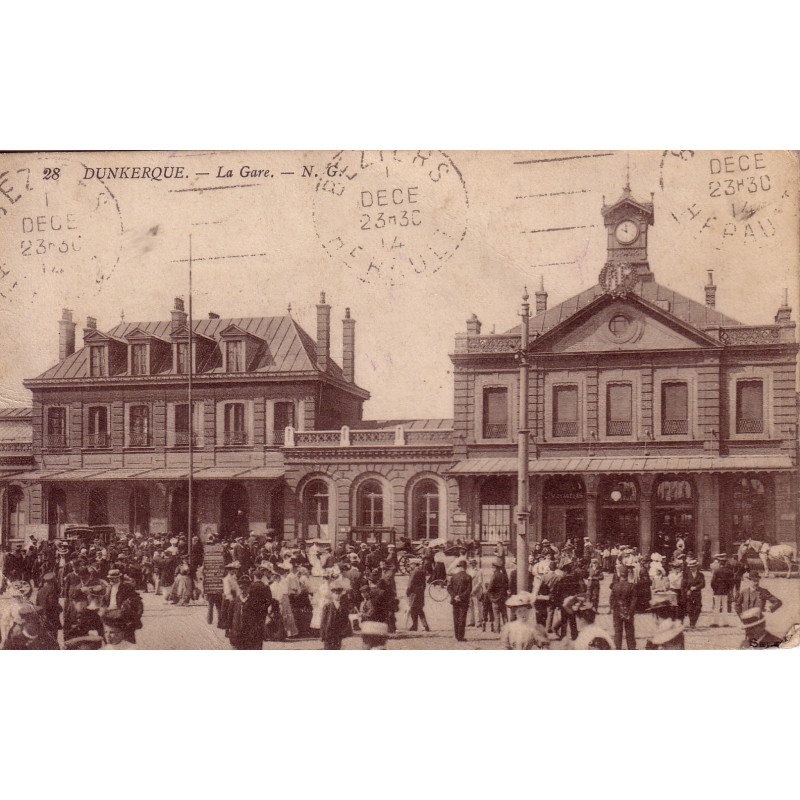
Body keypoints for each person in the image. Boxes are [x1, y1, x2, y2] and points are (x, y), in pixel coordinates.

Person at [609, 564, 637, 650]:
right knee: (629, 631)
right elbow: (634, 601)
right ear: (627, 575)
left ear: (619, 574)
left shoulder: (615, 586)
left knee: (617, 631)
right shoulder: (631, 586)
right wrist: (630, 612)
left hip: (617, 611)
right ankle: (631, 648)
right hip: (628, 611)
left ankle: (617, 648)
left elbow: (611, 599)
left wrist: (613, 608)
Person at [320, 580, 351, 650]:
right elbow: (323, 621)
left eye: (339, 594)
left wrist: (344, 631)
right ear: (332, 594)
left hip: (338, 633)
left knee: (337, 648)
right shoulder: (327, 606)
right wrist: (322, 634)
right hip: (328, 633)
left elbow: (345, 620)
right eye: (336, 593)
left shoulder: (343, 607)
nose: (337, 595)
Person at [447, 558, 472, 642]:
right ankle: (461, 636)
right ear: (465, 567)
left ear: (459, 567)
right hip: (463, 601)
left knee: (456, 618)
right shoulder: (468, 577)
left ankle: (457, 635)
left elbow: (449, 588)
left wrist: (455, 596)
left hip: (455, 601)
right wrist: (460, 597)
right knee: (462, 618)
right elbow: (468, 590)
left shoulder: (454, 576)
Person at [36, 571, 62, 638]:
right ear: (53, 581)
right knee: (53, 636)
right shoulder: (51, 591)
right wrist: (59, 608)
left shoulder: (40, 591)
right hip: (51, 617)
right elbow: (52, 605)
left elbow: (37, 604)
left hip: (43, 617)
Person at [710, 554, 734, 627]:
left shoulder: (717, 571)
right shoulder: (729, 571)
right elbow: (731, 582)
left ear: (720, 563)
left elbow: (712, 582)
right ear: (725, 563)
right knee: (725, 607)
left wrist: (715, 589)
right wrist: (729, 589)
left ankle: (715, 622)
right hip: (725, 591)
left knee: (716, 607)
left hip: (717, 591)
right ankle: (725, 623)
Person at [487, 557, 509, 633]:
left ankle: (497, 630)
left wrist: (492, 598)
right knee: (504, 615)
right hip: (503, 598)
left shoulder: (494, 576)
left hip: (495, 599)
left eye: (492, 567)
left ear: (495, 568)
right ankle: (507, 629)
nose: (491, 569)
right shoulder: (504, 575)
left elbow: (489, 588)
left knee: (496, 616)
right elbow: (507, 586)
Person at [406, 562, 430, 632]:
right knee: (420, 609)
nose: (410, 565)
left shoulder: (413, 572)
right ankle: (425, 626)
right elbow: (424, 584)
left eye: (411, 564)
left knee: (413, 609)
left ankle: (414, 626)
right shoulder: (422, 572)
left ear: (414, 564)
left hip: (414, 593)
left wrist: (407, 592)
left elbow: (410, 584)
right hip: (420, 593)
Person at [684, 558, 705, 629]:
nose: (691, 568)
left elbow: (703, 584)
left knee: (698, 608)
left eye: (692, 567)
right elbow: (683, 584)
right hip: (689, 594)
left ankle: (694, 622)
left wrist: (695, 588)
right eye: (690, 567)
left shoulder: (700, 575)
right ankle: (691, 622)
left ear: (696, 567)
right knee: (689, 609)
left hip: (697, 594)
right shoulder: (686, 575)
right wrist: (687, 591)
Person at [466, 558, 484, 628]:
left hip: (476, 591)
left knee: (477, 606)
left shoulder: (479, 571)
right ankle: (471, 621)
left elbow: (480, 582)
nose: (471, 565)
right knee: (470, 606)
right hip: (469, 591)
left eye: (473, 563)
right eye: (470, 563)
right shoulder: (468, 571)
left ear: (475, 564)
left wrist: (473, 590)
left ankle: (478, 621)